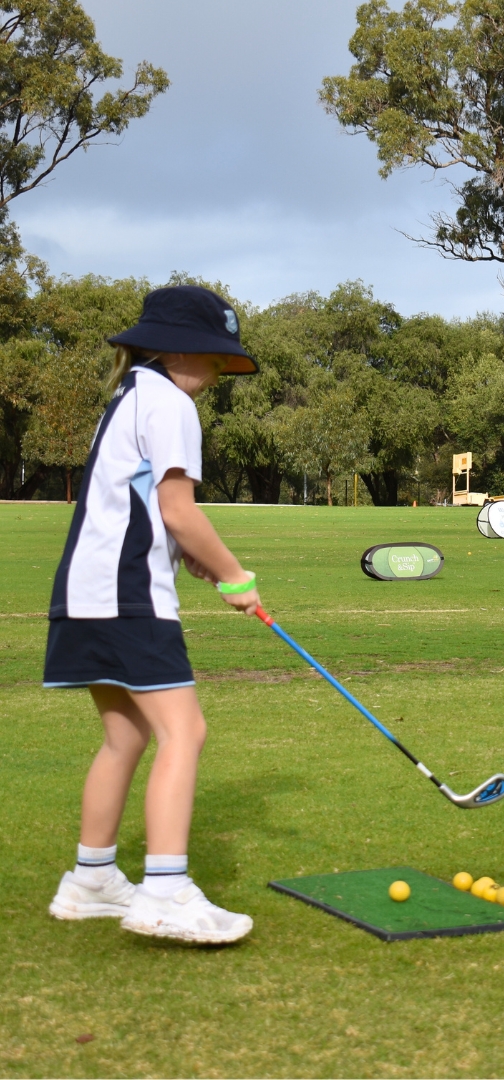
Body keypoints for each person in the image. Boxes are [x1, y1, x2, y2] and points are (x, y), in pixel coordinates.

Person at [45, 285, 263, 943]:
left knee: (126, 737)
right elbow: (177, 511)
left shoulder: (131, 397)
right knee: (183, 732)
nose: (219, 370)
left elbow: (143, 510)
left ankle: (92, 880)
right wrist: (234, 578)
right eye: (213, 355)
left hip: (84, 595)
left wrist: (187, 555)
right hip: (129, 597)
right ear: (172, 347)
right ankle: (165, 892)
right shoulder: (169, 403)